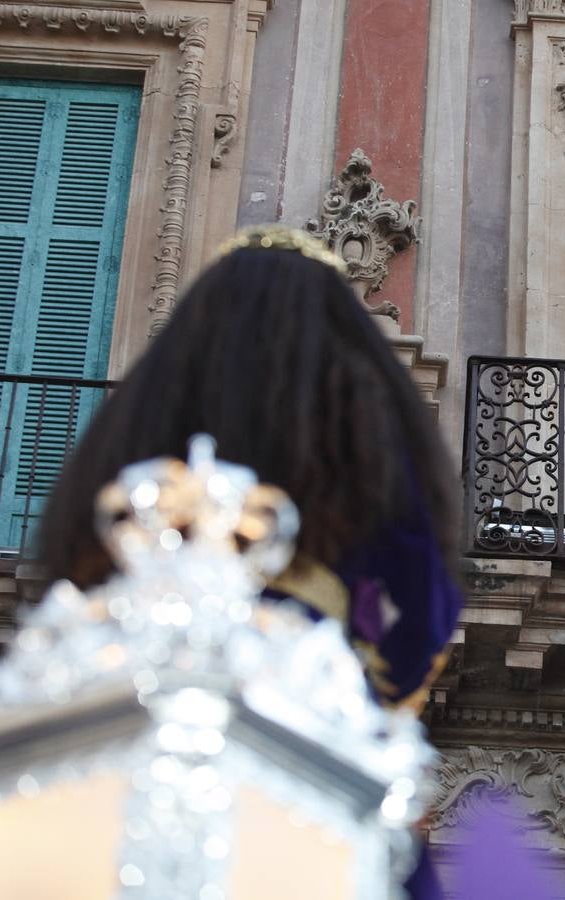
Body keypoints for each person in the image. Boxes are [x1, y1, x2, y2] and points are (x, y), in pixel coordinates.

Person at [39, 223, 463, 714]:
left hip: (134, 682)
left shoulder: (144, 418)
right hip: (299, 691)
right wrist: (375, 690)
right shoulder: (361, 425)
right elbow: (421, 591)